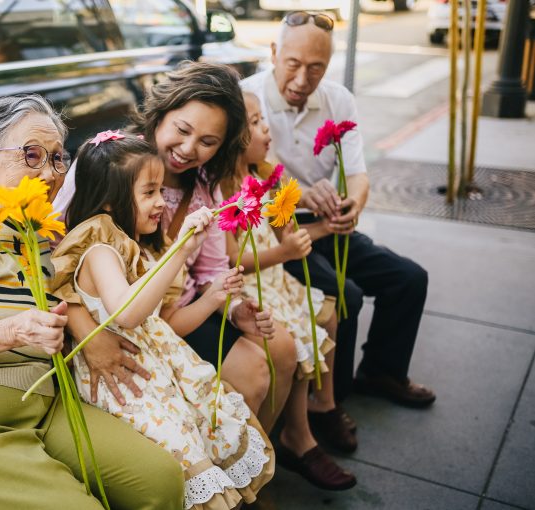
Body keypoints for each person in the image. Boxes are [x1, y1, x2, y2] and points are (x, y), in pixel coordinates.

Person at [0, 95, 185, 509]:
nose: (49, 171)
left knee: (161, 480)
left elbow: (75, 297)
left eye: (58, 158)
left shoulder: (42, 233)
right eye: (32, 155)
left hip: (40, 409)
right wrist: (13, 330)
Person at [55, 62, 294, 431]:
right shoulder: (108, 163)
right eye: (182, 130)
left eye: (207, 142)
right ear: (160, 114)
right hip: (118, 321)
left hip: (176, 313)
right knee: (253, 370)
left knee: (278, 349)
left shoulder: (205, 188)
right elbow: (52, 256)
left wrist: (232, 310)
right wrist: (88, 335)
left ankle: (275, 450)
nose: (187, 149)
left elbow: (211, 270)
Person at [52, 132, 275, 509]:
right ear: (109, 201)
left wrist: (213, 297)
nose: (161, 203)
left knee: (199, 437)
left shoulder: (126, 245)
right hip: (128, 386)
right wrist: (181, 250)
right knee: (182, 457)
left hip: (156, 374)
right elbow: (127, 312)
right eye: (149, 192)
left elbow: (158, 324)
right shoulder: (99, 248)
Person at [241, 12, 435, 409]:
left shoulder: (338, 99)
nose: (301, 80)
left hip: (328, 223)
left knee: (409, 279)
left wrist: (353, 208)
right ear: (274, 52)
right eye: (293, 64)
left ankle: (382, 372)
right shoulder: (248, 98)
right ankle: (330, 403)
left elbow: (358, 174)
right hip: (277, 229)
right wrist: (305, 195)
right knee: (346, 296)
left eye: (316, 68)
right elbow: (263, 173)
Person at [223, 90, 356, 490]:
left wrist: (308, 229)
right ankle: (297, 435)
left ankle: (322, 405)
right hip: (254, 284)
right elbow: (233, 259)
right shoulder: (227, 188)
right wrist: (283, 250)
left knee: (328, 312)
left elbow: (286, 229)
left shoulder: (264, 173)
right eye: (256, 123)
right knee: (300, 331)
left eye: (264, 119)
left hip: (276, 278)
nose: (266, 129)